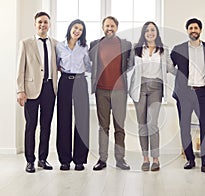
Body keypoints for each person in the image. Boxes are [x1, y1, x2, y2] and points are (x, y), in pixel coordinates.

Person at [170, 18, 205, 176]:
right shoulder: (178, 49)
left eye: (196, 28)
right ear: (187, 31)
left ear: (200, 30)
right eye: (190, 28)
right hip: (184, 93)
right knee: (184, 127)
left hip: (203, 92)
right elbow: (169, 67)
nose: (193, 30)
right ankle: (190, 159)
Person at [129, 22, 176, 171]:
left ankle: (156, 159)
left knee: (152, 124)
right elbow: (128, 66)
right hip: (139, 88)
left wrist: (186, 73)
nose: (150, 33)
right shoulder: (136, 49)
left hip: (156, 88)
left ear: (157, 33)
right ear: (143, 33)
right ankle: (145, 159)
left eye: (153, 30)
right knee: (142, 125)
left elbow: (170, 68)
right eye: (147, 30)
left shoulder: (163, 49)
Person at [89, 16, 133, 170]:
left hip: (119, 91)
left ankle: (120, 159)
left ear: (117, 27)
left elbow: (131, 63)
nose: (110, 28)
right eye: (107, 26)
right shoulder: (95, 45)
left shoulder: (126, 44)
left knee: (119, 127)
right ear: (103, 27)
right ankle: (102, 159)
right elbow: (89, 64)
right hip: (101, 90)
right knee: (103, 127)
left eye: (112, 26)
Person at [16, 12, 58, 173]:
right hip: (31, 90)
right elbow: (20, 68)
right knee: (30, 126)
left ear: (49, 24)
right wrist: (20, 90)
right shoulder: (26, 43)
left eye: (45, 22)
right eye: (40, 22)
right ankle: (30, 161)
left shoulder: (55, 43)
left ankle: (42, 159)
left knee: (46, 126)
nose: (43, 25)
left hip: (49, 89)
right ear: (35, 24)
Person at [56, 19, 91, 171]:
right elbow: (56, 64)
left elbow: (89, 66)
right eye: (75, 28)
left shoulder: (84, 47)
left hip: (80, 81)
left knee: (82, 121)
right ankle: (64, 160)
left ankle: (79, 160)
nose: (77, 31)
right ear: (70, 28)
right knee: (64, 119)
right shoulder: (59, 46)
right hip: (64, 81)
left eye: (81, 30)